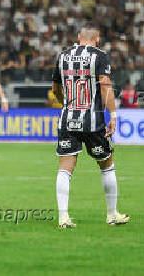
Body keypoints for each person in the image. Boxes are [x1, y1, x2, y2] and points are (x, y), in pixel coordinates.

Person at [52, 26, 130, 228]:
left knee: (65, 170)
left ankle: (63, 218)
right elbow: (105, 87)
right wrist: (112, 115)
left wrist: (65, 103)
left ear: (78, 38)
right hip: (93, 121)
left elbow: (55, 89)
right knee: (107, 166)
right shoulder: (100, 56)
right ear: (97, 39)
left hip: (68, 119)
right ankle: (112, 214)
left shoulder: (63, 55)